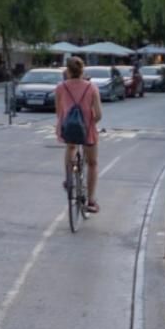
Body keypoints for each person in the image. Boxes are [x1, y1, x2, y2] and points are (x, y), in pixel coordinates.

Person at [55, 56, 103, 213]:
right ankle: (90, 201)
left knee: (70, 147)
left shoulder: (61, 87)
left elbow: (58, 111)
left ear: (67, 71)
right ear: (83, 71)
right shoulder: (91, 87)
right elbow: (98, 114)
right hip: (88, 129)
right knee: (93, 163)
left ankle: (69, 178)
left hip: (68, 128)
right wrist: (89, 124)